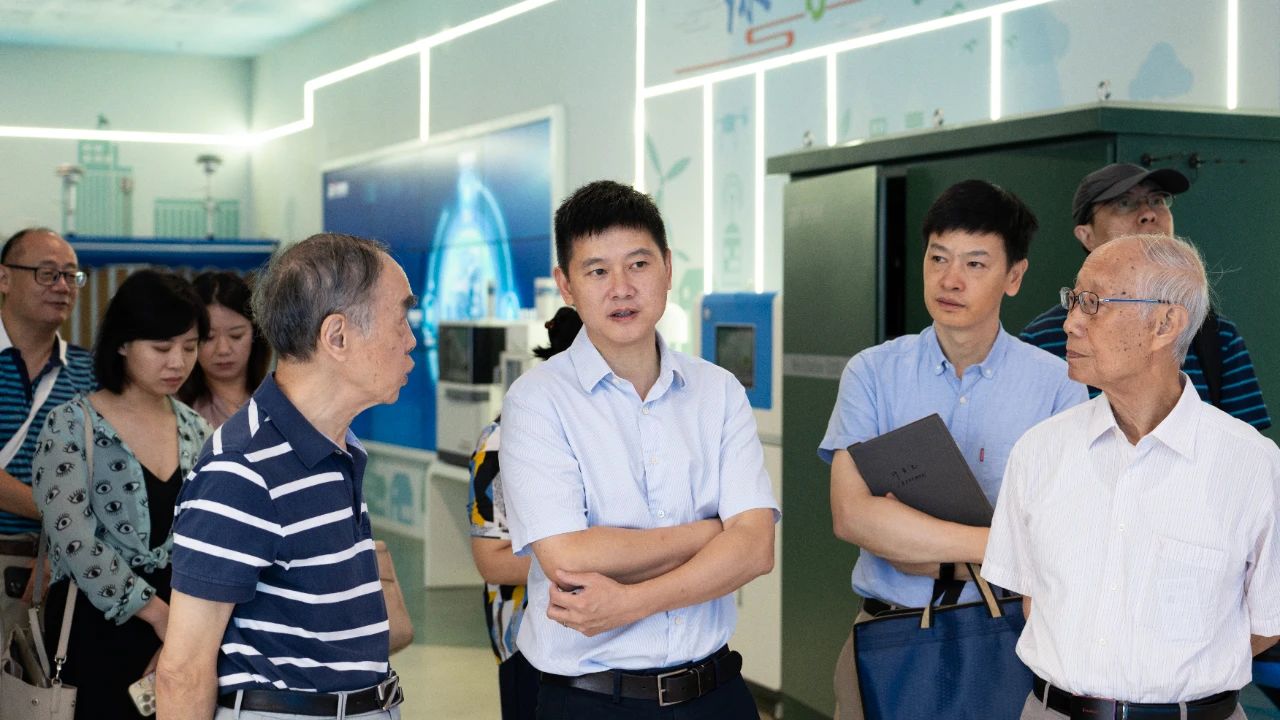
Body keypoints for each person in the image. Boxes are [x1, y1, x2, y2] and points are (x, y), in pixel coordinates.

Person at [498, 180, 778, 718]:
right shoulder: (537, 401)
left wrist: (629, 601)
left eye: (639, 265)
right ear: (566, 284)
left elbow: (755, 549)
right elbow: (568, 557)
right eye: (597, 271)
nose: (621, 288)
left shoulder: (718, 391)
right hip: (592, 700)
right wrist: (712, 533)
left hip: (716, 692)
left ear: (668, 268)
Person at [817, 180, 1087, 720]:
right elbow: (851, 516)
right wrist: (1000, 548)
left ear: (1014, 277)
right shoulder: (872, 373)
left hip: (1008, 642)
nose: (950, 279)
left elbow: (1059, 544)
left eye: (975, 264)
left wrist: (911, 544)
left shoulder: (1059, 386)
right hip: (887, 636)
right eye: (938, 258)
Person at [984, 234, 1280, 720]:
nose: (1070, 321)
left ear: (1165, 324)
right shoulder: (1039, 451)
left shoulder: (1250, 464)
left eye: (1093, 303)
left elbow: (1267, 622)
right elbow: (1034, 601)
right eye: (1074, 299)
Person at [158, 233, 416, 720]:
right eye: (400, 319)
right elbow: (183, 670)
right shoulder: (242, 468)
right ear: (337, 337)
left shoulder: (338, 447)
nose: (411, 339)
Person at [32, 268, 211, 719]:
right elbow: (73, 538)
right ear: (123, 344)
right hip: (93, 630)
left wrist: (182, 630)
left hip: (181, 631)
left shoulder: (199, 431)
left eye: (190, 347)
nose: (178, 362)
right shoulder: (71, 424)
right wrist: (159, 616)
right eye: (162, 348)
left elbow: (209, 541)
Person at [1020, 162, 1270, 430]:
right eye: (1124, 203)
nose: (1149, 214)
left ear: (1170, 323)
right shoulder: (1040, 344)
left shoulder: (1216, 336)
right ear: (1087, 235)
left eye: (1157, 200)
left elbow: (1242, 443)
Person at [467, 305, 582, 720]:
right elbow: (493, 562)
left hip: (598, 639)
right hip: (526, 635)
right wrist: (595, 560)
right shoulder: (502, 441)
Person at [0, 227, 96, 639]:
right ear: (4, 278)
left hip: (61, 570)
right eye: (47, 273)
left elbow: (103, 477)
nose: (62, 286)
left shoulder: (90, 372)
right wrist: (66, 515)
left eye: (71, 275)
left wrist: (61, 546)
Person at [178, 271, 271, 428]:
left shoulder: (280, 399)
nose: (223, 350)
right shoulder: (177, 410)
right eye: (209, 337)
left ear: (255, 334)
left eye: (236, 335)